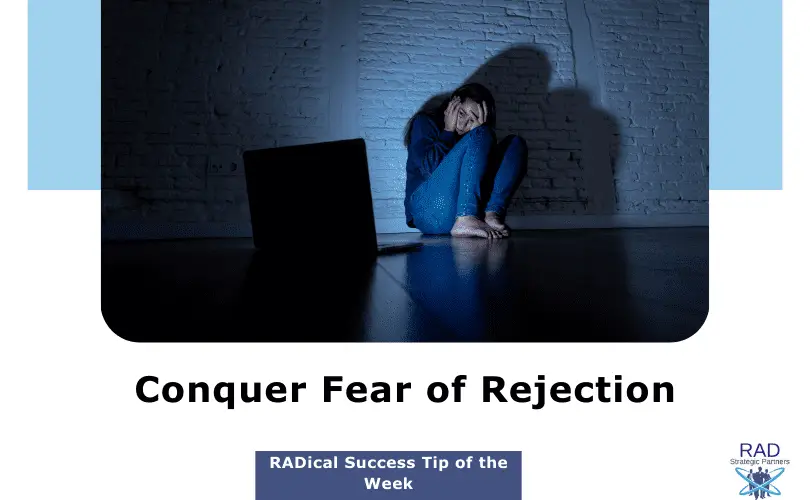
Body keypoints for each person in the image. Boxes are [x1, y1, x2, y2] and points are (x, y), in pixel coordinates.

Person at [403, 83, 528, 239]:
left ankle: (492, 214)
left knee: (515, 144)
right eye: (461, 114)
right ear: (451, 107)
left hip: (466, 211)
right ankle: (466, 217)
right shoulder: (425, 122)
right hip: (429, 212)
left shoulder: (475, 140)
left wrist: (480, 134)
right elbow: (428, 169)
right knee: (482, 134)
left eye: (472, 120)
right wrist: (448, 131)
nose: (463, 124)